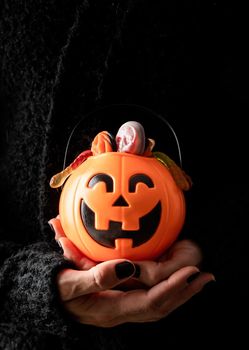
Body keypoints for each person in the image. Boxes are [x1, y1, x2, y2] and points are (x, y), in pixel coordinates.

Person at [0, 1, 247, 349]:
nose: (120, 201)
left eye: (138, 188)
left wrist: (211, 243)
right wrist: (25, 284)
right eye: (105, 189)